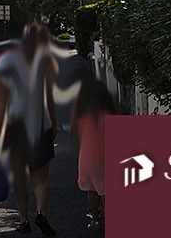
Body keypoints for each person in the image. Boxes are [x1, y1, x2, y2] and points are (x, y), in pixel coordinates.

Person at [0, 22, 59, 235]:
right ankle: (41, 213)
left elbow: (2, 99)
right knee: (41, 178)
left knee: (19, 177)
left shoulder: (6, 61)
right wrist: (53, 124)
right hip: (41, 125)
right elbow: (50, 98)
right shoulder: (45, 61)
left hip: (15, 126)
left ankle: (24, 221)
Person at [72, 69, 115, 231]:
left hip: (87, 156)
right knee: (106, 189)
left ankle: (95, 220)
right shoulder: (108, 114)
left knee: (91, 189)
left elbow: (76, 133)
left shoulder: (83, 115)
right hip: (104, 154)